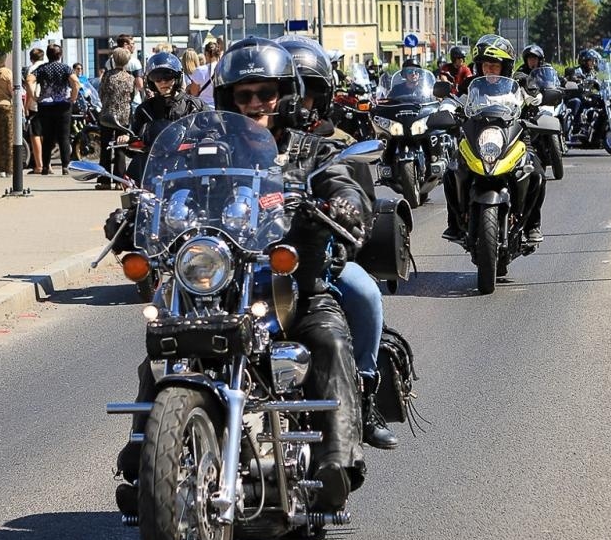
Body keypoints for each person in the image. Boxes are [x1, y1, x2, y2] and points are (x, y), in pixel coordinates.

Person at [111, 38, 370, 515]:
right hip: (221, 283)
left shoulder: (309, 150)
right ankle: (144, 459)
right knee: (164, 340)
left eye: (265, 94)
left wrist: (345, 203)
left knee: (330, 339)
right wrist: (135, 214)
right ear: (228, 100)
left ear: (283, 94)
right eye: (244, 96)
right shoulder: (202, 151)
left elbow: (343, 181)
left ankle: (337, 461)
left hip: (293, 288)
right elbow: (168, 191)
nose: (255, 104)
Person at [281, 34, 397, 451]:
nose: (299, 102)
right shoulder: (246, 139)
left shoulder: (337, 143)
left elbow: (358, 199)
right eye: (290, 90)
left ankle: (364, 396)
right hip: (251, 258)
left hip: (321, 258)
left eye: (308, 91)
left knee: (364, 292)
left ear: (323, 95)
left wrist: (343, 213)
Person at [442, 34, 545, 245]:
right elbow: (452, 102)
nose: (489, 70)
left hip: (514, 138)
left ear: (505, 67)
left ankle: (532, 224)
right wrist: (444, 111)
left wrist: (538, 98)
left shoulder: (520, 84)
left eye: (494, 65)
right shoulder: (472, 85)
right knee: (451, 171)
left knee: (536, 173)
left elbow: (537, 101)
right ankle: (454, 223)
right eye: (485, 65)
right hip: (476, 137)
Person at [125, 51, 205, 183]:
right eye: (157, 78)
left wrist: (208, 137)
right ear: (151, 81)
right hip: (153, 171)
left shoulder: (194, 105)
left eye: (167, 77)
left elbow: (214, 127)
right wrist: (127, 139)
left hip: (188, 170)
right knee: (132, 199)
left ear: (177, 77)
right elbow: (134, 140)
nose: (163, 82)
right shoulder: (145, 109)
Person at [32, 44, 77, 175]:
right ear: (60, 55)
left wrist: (35, 96)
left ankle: (45, 166)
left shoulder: (42, 69)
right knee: (64, 136)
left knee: (47, 136)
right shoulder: (65, 68)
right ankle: (65, 166)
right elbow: (75, 82)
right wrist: (73, 97)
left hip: (45, 105)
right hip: (63, 105)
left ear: (47, 55)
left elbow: (29, 80)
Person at [96, 47, 136, 186]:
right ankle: (120, 180)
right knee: (121, 147)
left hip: (108, 114)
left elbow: (101, 93)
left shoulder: (107, 76)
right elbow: (132, 96)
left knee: (106, 146)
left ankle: (104, 180)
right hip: (124, 115)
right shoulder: (130, 77)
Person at [564, 49, 603, 143]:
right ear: (584, 61)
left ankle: (599, 133)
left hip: (586, 98)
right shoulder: (577, 71)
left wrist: (602, 86)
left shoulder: (592, 74)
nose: (593, 63)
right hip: (573, 97)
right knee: (577, 102)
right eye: (591, 61)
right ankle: (571, 129)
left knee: (599, 101)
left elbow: (598, 84)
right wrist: (573, 78)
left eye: (594, 61)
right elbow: (568, 77)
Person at [23, 46, 46, 173]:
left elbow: (29, 90)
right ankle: (48, 164)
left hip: (35, 105)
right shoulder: (48, 66)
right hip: (49, 104)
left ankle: (39, 165)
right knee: (45, 134)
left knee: (35, 135)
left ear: (31, 58)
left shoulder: (32, 69)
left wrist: (26, 106)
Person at [187, 40, 219, 106]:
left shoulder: (200, 70)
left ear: (206, 54)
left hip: (203, 108)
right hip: (220, 108)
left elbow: (194, 93)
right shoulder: (223, 68)